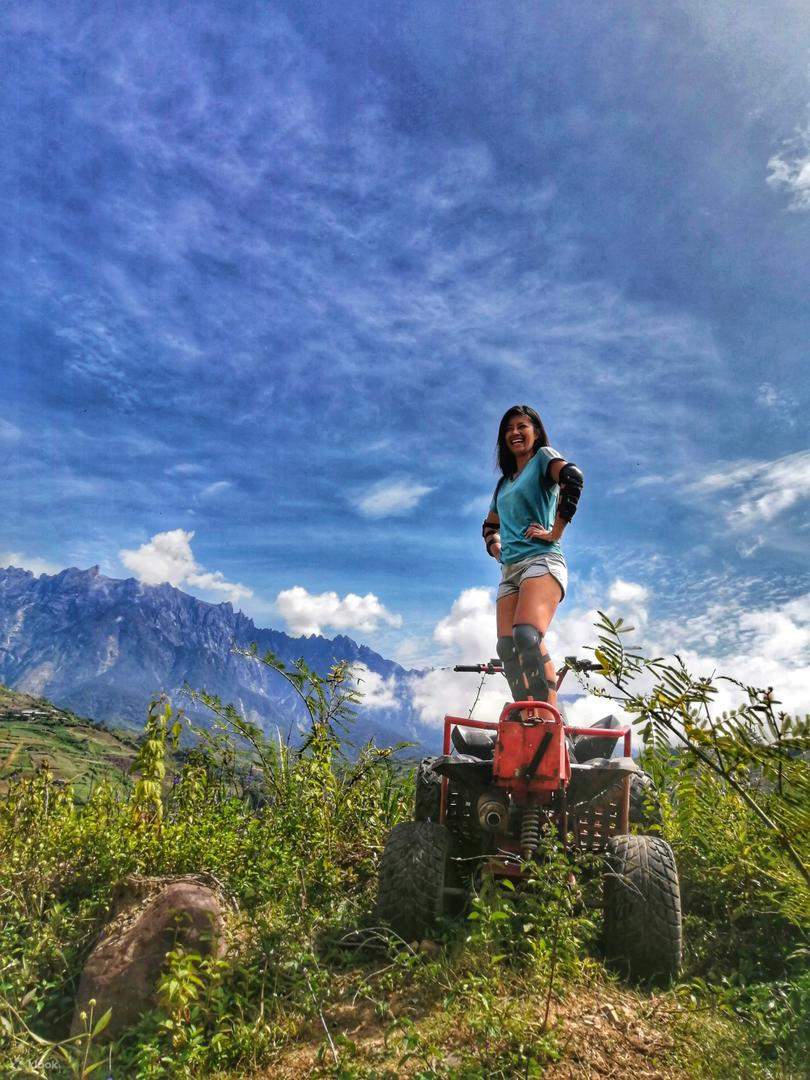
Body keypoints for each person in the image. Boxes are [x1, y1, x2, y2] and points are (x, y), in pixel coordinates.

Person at [481, 405, 583, 709]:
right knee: (508, 649)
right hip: (510, 571)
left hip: (541, 560)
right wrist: (495, 547)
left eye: (522, 426)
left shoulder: (544, 459)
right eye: (509, 428)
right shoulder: (503, 484)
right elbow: (489, 526)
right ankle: (528, 721)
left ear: (535, 432)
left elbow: (572, 478)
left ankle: (552, 721)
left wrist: (555, 531)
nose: (515, 432)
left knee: (527, 636)